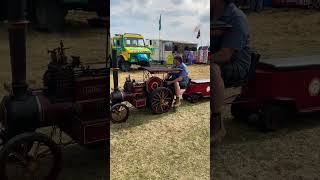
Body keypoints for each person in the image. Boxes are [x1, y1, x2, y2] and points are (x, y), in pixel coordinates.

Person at [212, 0, 251, 144]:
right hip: (219, 61)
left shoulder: (236, 18)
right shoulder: (211, 15)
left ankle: (217, 126)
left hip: (236, 65)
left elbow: (225, 55)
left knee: (212, 68)